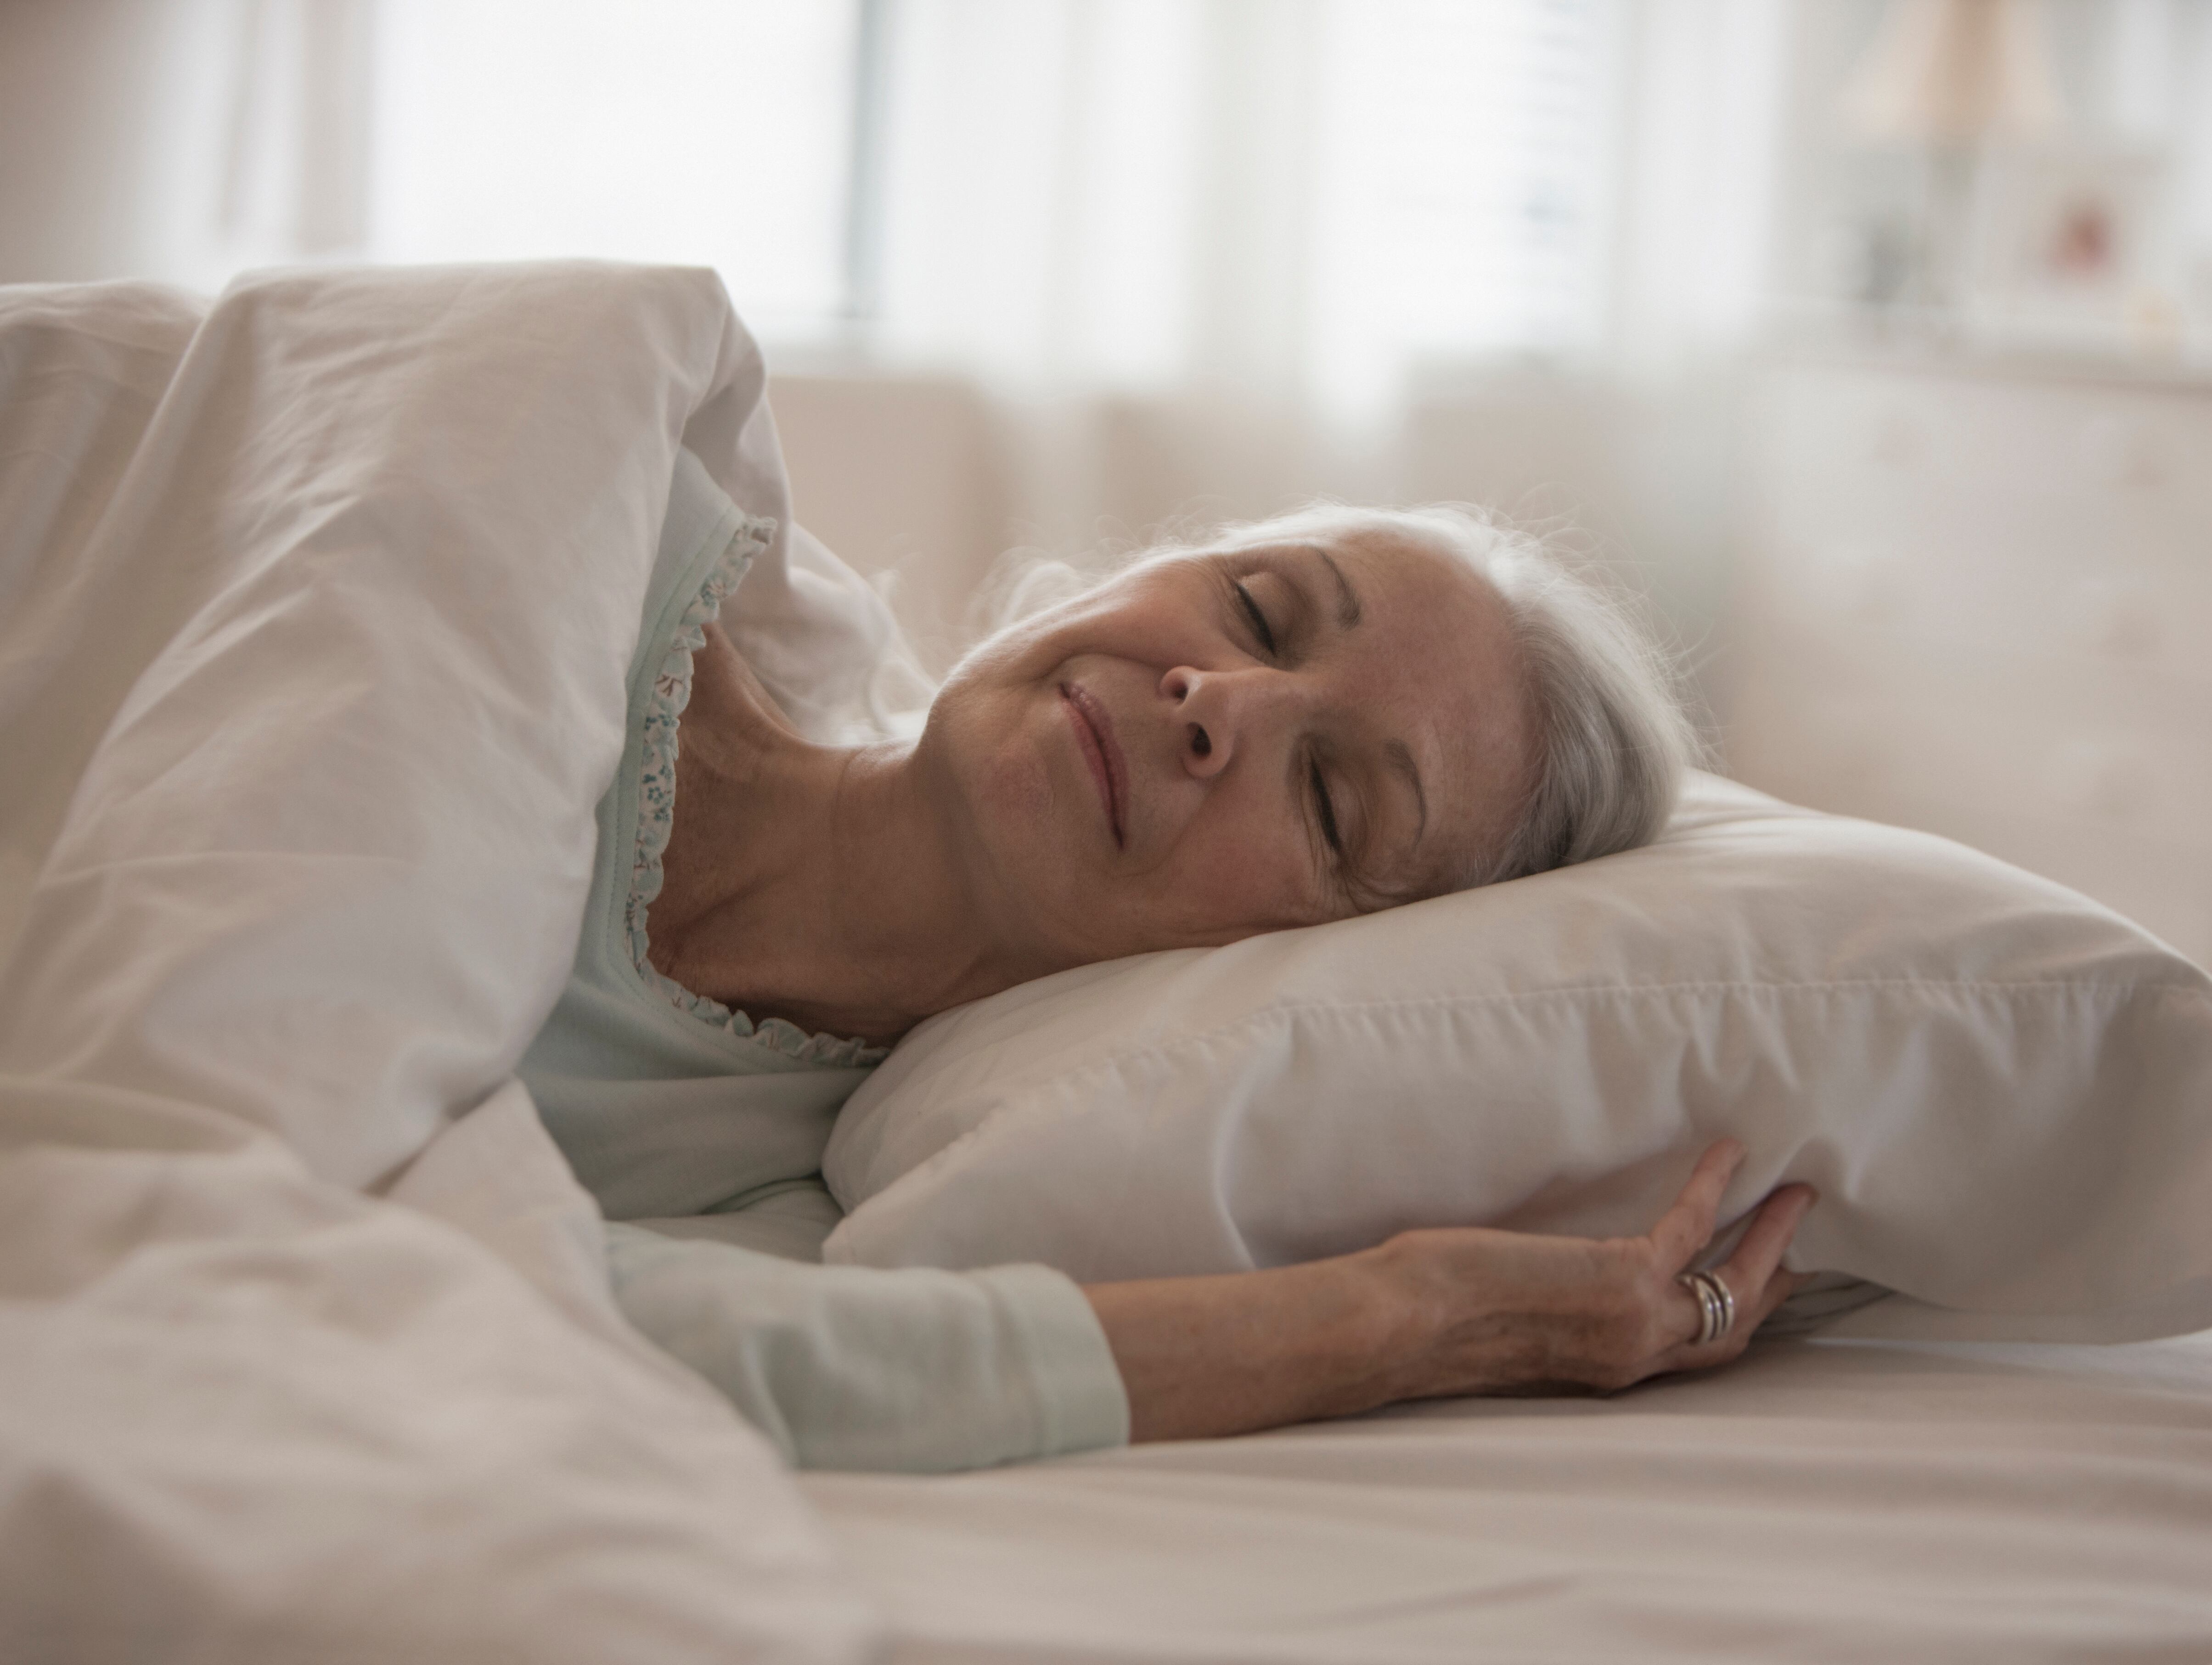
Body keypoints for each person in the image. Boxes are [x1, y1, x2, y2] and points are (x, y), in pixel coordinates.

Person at [519, 452, 1816, 1472]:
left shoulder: (781, 1187)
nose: (1221, 702)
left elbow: (645, 1345)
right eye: (1256, 607)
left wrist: (1419, 1314)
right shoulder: (601, 533)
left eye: (1328, 804)